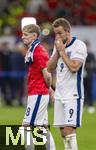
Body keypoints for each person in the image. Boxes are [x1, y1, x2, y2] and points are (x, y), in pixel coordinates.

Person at [47, 18, 87, 150]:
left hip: (73, 94)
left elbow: (74, 67)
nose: (57, 36)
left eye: (60, 33)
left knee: (70, 131)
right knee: (63, 132)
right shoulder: (57, 46)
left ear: (68, 31)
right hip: (59, 94)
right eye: (55, 33)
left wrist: (62, 52)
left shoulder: (79, 45)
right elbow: (49, 68)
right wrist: (58, 53)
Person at [21, 18, 55, 150]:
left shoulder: (39, 50)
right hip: (37, 92)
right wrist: (50, 90)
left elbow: (47, 74)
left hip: (38, 93)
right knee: (42, 127)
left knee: (26, 127)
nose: (23, 37)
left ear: (34, 36)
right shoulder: (33, 49)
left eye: (26, 34)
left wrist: (49, 90)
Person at [84, 40, 96, 113]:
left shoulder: (91, 55)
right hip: (82, 76)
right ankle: (82, 105)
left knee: (89, 90)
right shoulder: (81, 54)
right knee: (82, 91)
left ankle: (91, 105)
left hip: (89, 75)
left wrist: (89, 66)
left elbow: (95, 65)